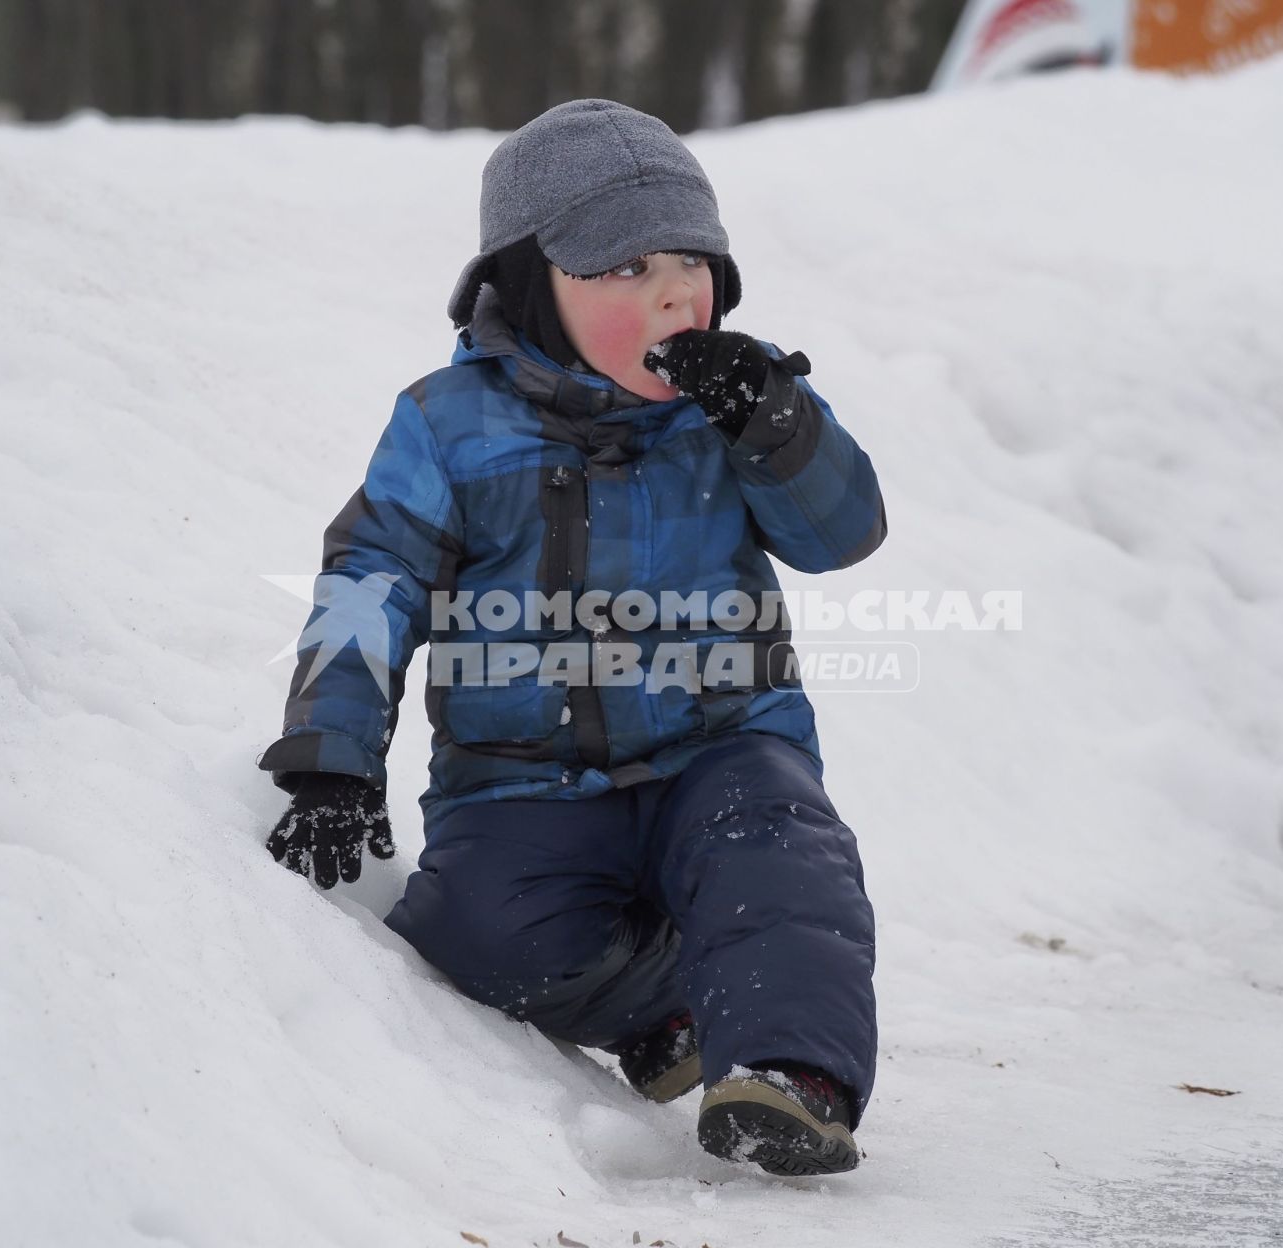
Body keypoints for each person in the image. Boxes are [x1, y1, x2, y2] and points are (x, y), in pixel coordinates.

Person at [260, 99, 886, 1177]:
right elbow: (372, 580)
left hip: (722, 738)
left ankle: (793, 1071)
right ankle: (675, 996)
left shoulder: (740, 401)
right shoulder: (448, 425)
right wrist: (333, 758)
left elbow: (841, 533)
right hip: (522, 779)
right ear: (529, 284)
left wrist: (774, 424)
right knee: (474, 935)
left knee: (779, 858)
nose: (672, 291)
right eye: (626, 266)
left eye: (691, 259)